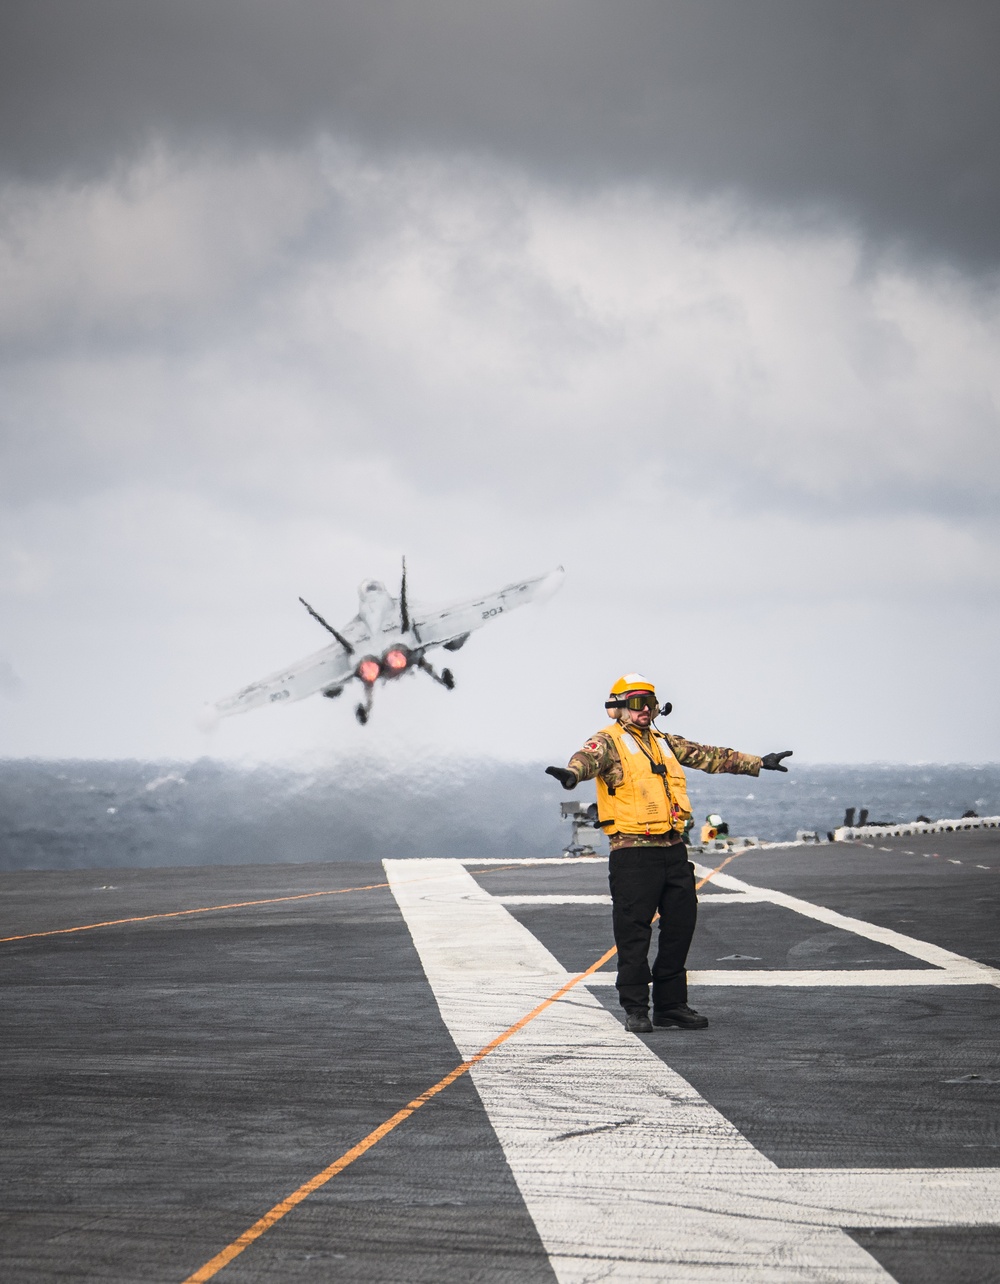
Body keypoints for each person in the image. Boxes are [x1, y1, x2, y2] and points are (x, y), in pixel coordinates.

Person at [545, 673, 791, 1035]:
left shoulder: (663, 742)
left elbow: (710, 756)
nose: (644, 709)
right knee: (634, 934)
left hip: (673, 850)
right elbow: (585, 759)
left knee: (681, 926)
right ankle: (635, 1009)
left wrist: (758, 762)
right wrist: (571, 775)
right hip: (633, 855)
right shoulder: (607, 742)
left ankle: (671, 1006)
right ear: (618, 708)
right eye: (635, 703)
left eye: (649, 702)